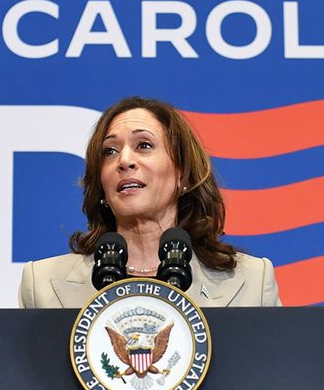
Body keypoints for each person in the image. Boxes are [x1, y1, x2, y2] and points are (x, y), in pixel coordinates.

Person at [18, 96, 282, 308]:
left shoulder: (251, 282)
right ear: (100, 184)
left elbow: (275, 373)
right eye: (110, 151)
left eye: (143, 145)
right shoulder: (43, 285)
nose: (124, 161)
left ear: (183, 174)